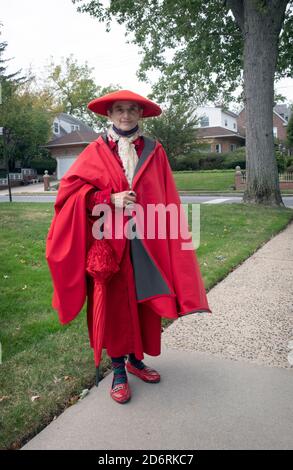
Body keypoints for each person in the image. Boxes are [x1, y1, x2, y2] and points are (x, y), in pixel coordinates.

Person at [46, 89, 212, 405]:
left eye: (132, 110)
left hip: (148, 240)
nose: (125, 116)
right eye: (119, 110)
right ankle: (119, 370)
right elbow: (70, 195)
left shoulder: (154, 150)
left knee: (144, 301)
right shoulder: (95, 152)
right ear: (109, 115)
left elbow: (166, 195)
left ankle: (136, 360)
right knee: (116, 305)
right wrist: (108, 199)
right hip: (109, 243)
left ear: (140, 115)